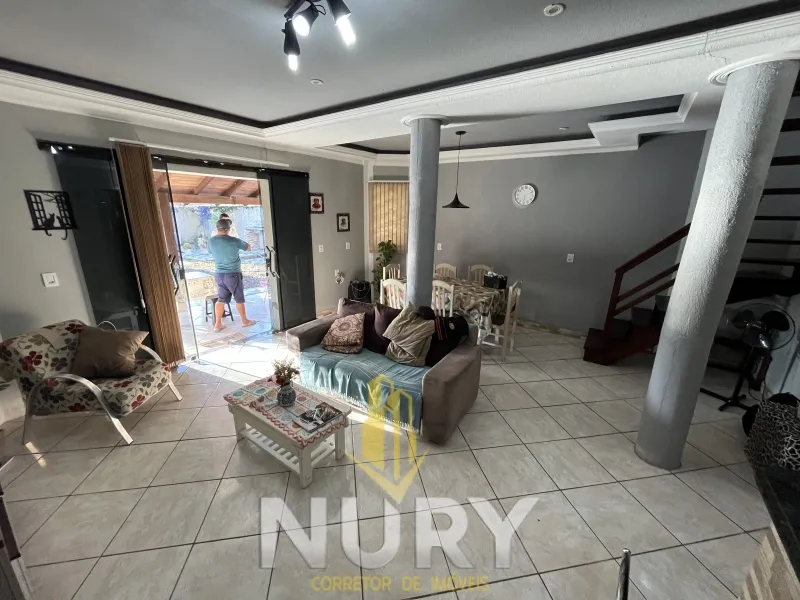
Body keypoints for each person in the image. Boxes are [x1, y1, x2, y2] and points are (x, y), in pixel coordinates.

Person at [207, 218, 256, 331]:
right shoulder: (234, 240)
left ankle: (217, 324)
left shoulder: (211, 241)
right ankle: (244, 321)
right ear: (229, 229)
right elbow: (248, 248)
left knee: (221, 299)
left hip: (219, 274)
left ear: (217, 228)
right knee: (239, 299)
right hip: (233, 274)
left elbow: (210, 251)